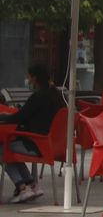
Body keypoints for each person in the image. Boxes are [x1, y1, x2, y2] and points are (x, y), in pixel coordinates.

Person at [0, 65, 64, 202]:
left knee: (2, 148)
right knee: (9, 148)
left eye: (29, 77)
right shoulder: (57, 96)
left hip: (37, 144)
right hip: (55, 145)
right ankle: (31, 184)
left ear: (34, 78)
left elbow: (19, 117)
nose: (28, 80)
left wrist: (3, 117)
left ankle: (22, 187)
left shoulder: (38, 97)